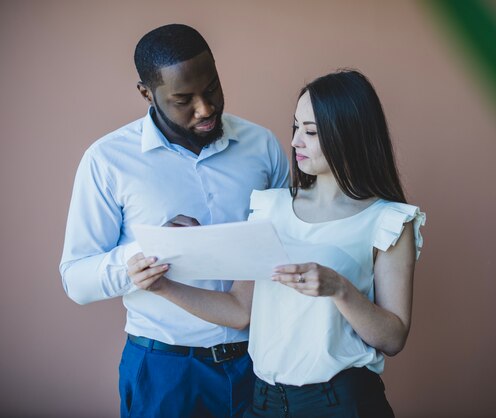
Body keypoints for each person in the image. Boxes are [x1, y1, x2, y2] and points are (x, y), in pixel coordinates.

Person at [128, 69, 426, 417]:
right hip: (264, 402)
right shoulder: (270, 207)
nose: (297, 141)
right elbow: (239, 311)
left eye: (311, 132)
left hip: (342, 402)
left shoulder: (388, 221)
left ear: (350, 135)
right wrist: (162, 286)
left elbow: (392, 339)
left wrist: (340, 288)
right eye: (296, 127)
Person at [59, 24, 290, 418]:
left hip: (260, 362)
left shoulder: (262, 146)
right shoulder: (107, 161)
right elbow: (75, 279)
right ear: (146, 93)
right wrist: (144, 257)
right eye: (184, 99)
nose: (205, 108)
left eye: (212, 88)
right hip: (163, 372)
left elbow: (287, 241)